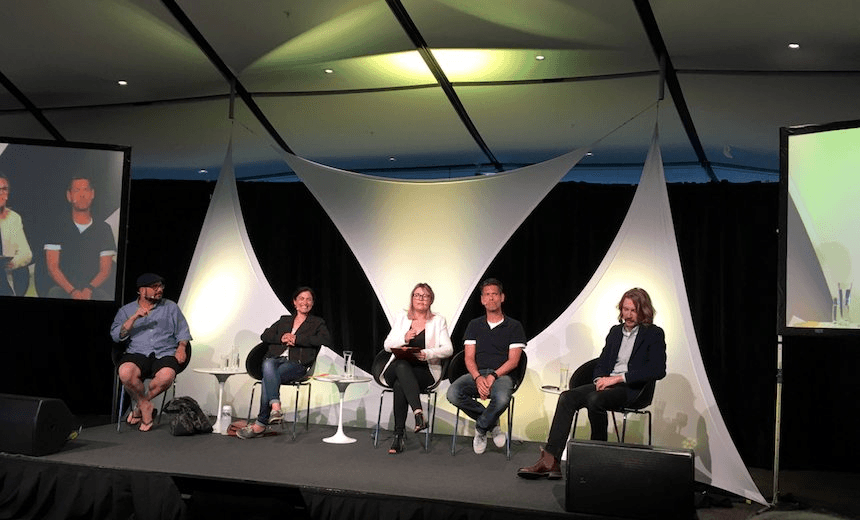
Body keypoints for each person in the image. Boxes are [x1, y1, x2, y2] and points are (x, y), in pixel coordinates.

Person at [517, 287, 667, 479]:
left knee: (595, 400)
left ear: (643, 311)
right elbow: (602, 362)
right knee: (567, 397)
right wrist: (598, 379)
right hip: (607, 384)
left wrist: (617, 378)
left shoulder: (653, 334)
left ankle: (597, 459)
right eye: (625, 309)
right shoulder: (615, 332)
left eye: (633, 310)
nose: (627, 315)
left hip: (631, 389)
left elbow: (657, 370)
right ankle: (551, 460)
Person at [238, 287, 332, 439]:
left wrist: (298, 339)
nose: (305, 302)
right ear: (295, 302)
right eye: (301, 298)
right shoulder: (284, 320)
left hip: (297, 364)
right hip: (275, 360)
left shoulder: (317, 323)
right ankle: (275, 408)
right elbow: (265, 335)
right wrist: (281, 337)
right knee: (268, 364)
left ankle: (261, 423)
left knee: (267, 377)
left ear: (312, 303)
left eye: (308, 299)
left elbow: (325, 340)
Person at [446, 278, 526, 454]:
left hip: (503, 376)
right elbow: (468, 358)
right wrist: (478, 377)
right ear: (482, 299)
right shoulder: (474, 325)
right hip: (478, 374)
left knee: (503, 398)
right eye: (487, 295)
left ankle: (482, 428)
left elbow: (513, 361)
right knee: (453, 393)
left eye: (495, 294)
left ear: (502, 297)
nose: (491, 298)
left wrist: (493, 376)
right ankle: (492, 424)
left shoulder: (514, 326)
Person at [110, 273, 192, 432]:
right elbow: (116, 336)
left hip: (165, 351)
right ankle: (146, 407)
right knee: (125, 373)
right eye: (155, 287)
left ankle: (142, 406)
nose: (159, 290)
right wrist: (134, 318)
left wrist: (181, 348)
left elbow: (183, 331)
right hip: (137, 351)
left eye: (161, 286)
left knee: (167, 376)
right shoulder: (126, 310)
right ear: (141, 290)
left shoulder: (171, 307)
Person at [381, 283, 453, 454]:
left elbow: (448, 349)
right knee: (401, 364)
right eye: (417, 295)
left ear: (431, 300)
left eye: (425, 296)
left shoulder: (438, 320)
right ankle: (418, 413)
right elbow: (386, 345)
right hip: (397, 367)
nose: (421, 299)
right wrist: (404, 339)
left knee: (400, 385)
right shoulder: (402, 317)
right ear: (412, 298)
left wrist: (427, 353)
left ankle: (398, 437)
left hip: (423, 371)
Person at [44, 176, 116, 300]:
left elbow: (105, 270)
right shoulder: (56, 227)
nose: (82, 195)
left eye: (86, 190)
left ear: (92, 194)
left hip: (94, 289)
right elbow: (53, 267)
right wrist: (72, 291)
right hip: (63, 289)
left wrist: (89, 289)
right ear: (69, 196)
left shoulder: (104, 229)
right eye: (77, 190)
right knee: (54, 294)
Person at [0, 174, 33, 296]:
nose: (1, 193)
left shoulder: (13, 218)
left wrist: (11, 263)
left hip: (7, 271)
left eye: (4, 189)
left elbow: (26, 253)